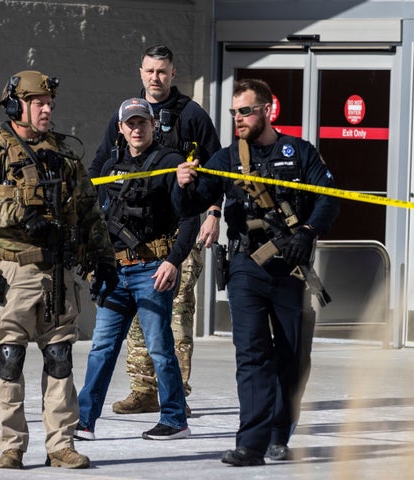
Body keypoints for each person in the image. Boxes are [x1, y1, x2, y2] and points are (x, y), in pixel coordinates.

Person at [0, 70, 118, 469]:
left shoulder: (64, 155)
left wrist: (103, 259)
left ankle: (61, 444)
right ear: (16, 105)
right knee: (9, 357)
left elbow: (89, 211)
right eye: (38, 103)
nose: (47, 110)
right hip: (14, 273)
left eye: (50, 103)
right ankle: (12, 445)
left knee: (60, 358)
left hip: (59, 272)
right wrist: (20, 215)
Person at [176, 79, 339, 466]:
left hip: (290, 268)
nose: (238, 119)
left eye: (246, 111)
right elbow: (196, 200)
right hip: (247, 266)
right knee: (251, 355)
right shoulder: (230, 158)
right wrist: (184, 184)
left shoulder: (299, 152)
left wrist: (308, 231)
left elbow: (329, 199)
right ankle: (251, 442)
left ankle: (279, 433)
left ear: (268, 110)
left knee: (293, 356)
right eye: (234, 112)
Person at [90, 44, 222, 417]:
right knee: (136, 316)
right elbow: (100, 164)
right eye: (149, 71)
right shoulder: (127, 116)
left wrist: (213, 212)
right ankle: (144, 390)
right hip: (132, 238)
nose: (155, 78)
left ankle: (175, 394)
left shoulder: (192, 115)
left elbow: (216, 169)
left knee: (176, 314)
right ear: (141, 72)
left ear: (173, 74)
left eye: (162, 72)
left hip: (180, 230)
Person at [74, 97, 195, 441]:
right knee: (102, 347)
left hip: (152, 269)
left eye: (143, 122)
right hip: (115, 271)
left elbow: (188, 219)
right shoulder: (110, 165)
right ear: (121, 128)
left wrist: (173, 261)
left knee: (159, 346)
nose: (136, 128)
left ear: (153, 126)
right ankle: (84, 422)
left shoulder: (169, 163)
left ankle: (174, 420)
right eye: (130, 123)